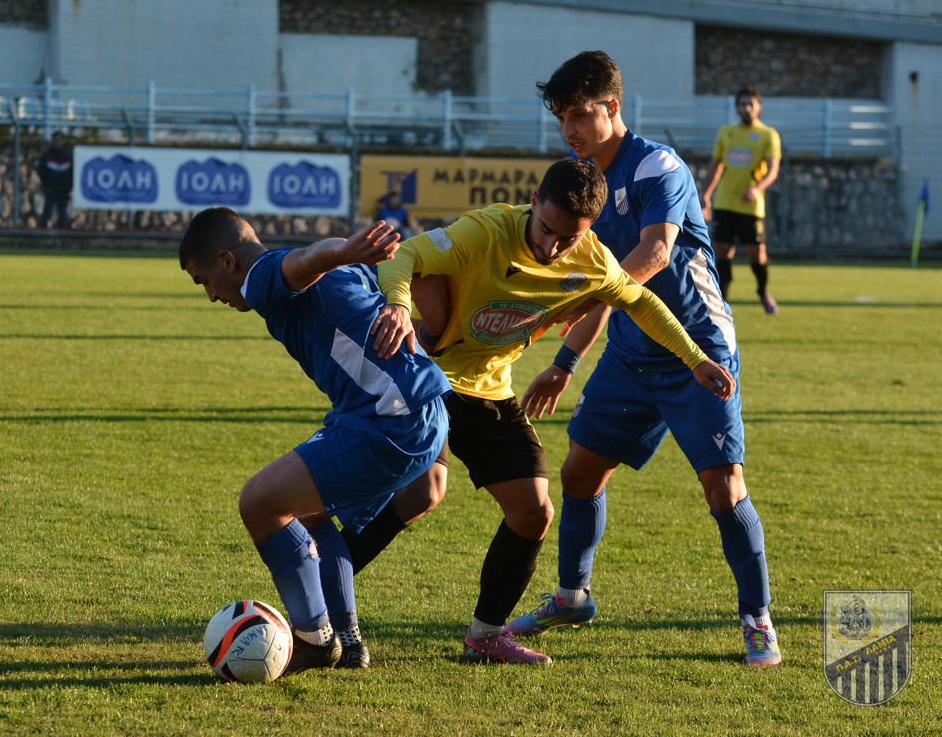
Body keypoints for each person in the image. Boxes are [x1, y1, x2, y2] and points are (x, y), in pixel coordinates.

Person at [362, 158, 737, 664]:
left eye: (568, 238)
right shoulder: (485, 231)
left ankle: (485, 636)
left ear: (590, 228)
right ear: (534, 202)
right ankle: (319, 594)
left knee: (533, 511)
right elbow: (403, 255)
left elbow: (640, 302)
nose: (552, 247)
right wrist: (398, 304)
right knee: (423, 492)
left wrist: (694, 358)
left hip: (489, 390)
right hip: (424, 375)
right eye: (545, 229)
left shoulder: (593, 261)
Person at [502, 51, 781, 667]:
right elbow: (609, 285)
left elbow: (653, 255)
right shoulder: (584, 186)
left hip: (697, 350)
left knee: (723, 487)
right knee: (579, 474)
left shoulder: (659, 165)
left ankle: (757, 618)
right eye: (561, 118)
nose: (569, 129)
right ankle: (572, 597)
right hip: (631, 353)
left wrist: (580, 300)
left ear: (613, 107)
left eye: (580, 115)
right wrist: (565, 362)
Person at [179, 207, 451, 673]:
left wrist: (343, 249)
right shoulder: (338, 271)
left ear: (227, 260)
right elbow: (377, 272)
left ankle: (315, 639)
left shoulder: (260, 276)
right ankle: (347, 640)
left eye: (203, 280)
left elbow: (307, 259)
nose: (210, 295)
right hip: (417, 408)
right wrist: (400, 304)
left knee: (259, 503)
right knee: (309, 511)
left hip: (390, 419)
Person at [700, 86, 782, 314]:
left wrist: (757, 188)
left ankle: (762, 291)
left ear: (759, 107)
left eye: (750, 104)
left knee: (757, 253)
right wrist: (705, 195)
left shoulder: (768, 135)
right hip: (725, 203)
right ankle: (722, 301)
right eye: (742, 104)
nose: (746, 108)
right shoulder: (726, 132)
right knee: (723, 250)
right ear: (736, 107)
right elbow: (716, 166)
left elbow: (773, 170)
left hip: (751, 206)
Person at [36, 131, 74, 229]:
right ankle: (42, 234)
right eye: (55, 140)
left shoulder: (68, 156)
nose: (57, 142)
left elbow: (73, 173)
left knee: (62, 215)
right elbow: (41, 171)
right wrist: (46, 186)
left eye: (59, 140)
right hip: (51, 191)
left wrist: (69, 187)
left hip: (64, 191)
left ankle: (62, 235)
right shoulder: (47, 155)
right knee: (47, 214)